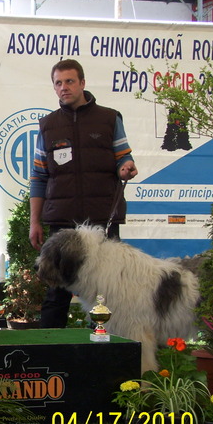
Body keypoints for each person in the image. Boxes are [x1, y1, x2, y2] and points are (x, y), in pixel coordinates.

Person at [29, 59, 138, 328]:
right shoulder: (47, 125)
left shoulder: (110, 118)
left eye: (69, 81)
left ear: (82, 83)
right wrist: (34, 222)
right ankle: (48, 354)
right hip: (62, 223)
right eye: (58, 83)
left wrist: (126, 167)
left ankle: (103, 354)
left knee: (107, 294)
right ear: (54, 87)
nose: (64, 87)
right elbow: (39, 177)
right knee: (56, 294)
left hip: (103, 221)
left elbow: (124, 158)